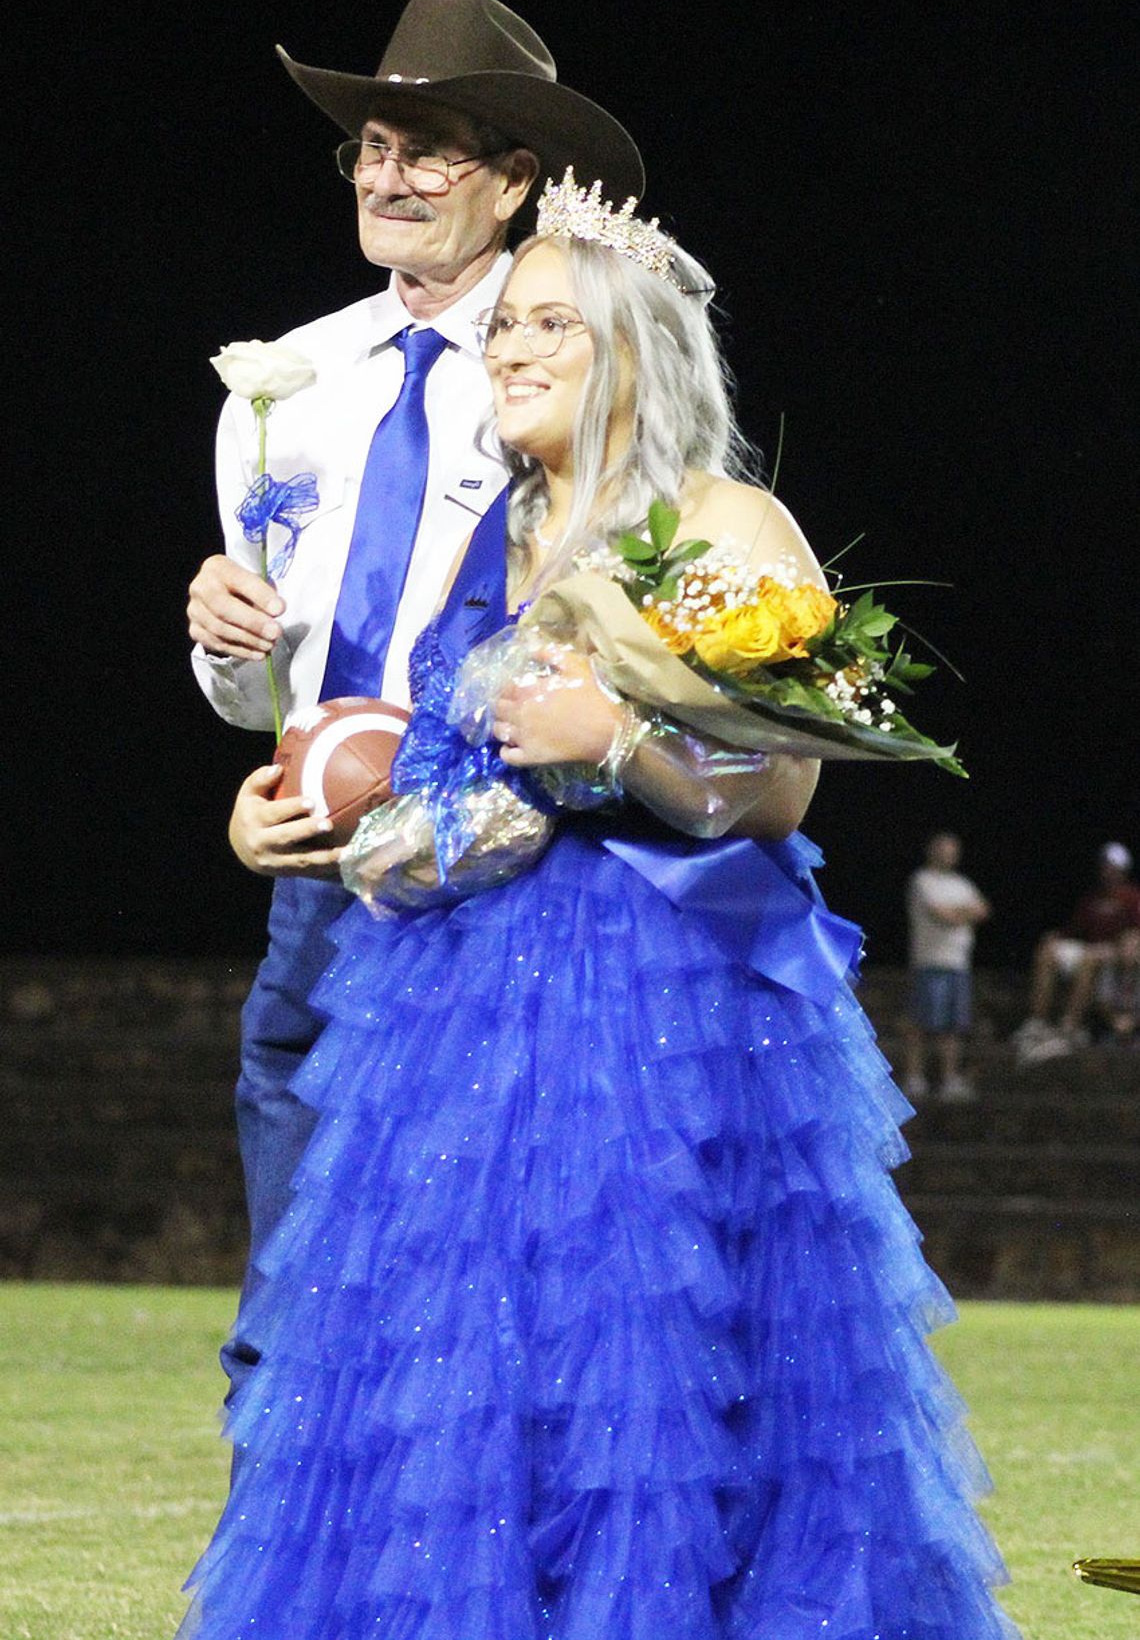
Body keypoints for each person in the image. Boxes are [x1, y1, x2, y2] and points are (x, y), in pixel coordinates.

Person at [178, 181, 1020, 1639]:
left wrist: (615, 739)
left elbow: (779, 796)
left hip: (669, 1001)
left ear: (635, 348)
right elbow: (418, 764)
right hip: (465, 1006)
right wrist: (303, 823)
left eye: (549, 324)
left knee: (660, 1350)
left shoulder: (715, 521)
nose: (509, 348)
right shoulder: (490, 534)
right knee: (468, 1352)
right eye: (506, 323)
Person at [185, 0, 643, 1398]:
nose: (386, 174)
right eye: (372, 145)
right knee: (296, 1296)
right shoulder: (287, 380)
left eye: (428, 147)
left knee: (493, 1286)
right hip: (325, 884)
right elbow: (268, 679)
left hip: (519, 870)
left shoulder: (573, 358)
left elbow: (646, 611)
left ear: (514, 183)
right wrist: (223, 663)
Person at [1013, 841, 1140, 1063]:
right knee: (1048, 952)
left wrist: (1120, 948)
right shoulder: (1092, 897)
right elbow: (1074, 930)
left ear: (1123, 869)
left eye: (1114, 867)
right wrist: (1056, 937)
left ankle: (1070, 1023)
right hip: (1090, 947)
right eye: (1105, 865)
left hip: (1118, 950)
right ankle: (1037, 1022)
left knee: (1088, 959)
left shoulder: (1132, 897)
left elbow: (1135, 933)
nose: (1109, 871)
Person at [901, 831, 991, 1101]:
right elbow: (943, 915)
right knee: (922, 1021)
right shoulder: (922, 880)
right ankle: (914, 1077)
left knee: (953, 1024)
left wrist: (958, 913)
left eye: (953, 850)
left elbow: (983, 909)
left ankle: (949, 1078)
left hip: (958, 963)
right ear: (932, 850)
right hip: (930, 961)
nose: (949, 854)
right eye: (944, 849)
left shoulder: (962, 883)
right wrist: (964, 913)